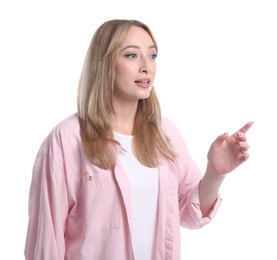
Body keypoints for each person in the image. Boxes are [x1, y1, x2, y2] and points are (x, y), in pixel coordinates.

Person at [24, 19, 253, 260]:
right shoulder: (66, 139)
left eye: (152, 56)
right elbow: (46, 242)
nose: (147, 67)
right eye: (132, 56)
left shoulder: (165, 133)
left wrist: (215, 173)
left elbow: (188, 212)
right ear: (104, 63)